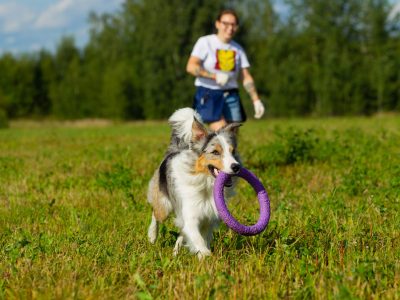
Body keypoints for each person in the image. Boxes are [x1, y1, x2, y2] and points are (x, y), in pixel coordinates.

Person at [186, 8, 265, 131]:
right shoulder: (205, 42)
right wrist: (214, 76)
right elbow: (191, 67)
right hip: (209, 93)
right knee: (223, 132)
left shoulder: (238, 49)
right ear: (217, 24)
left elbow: (245, 76)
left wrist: (256, 100)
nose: (230, 28)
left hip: (231, 95)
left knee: (232, 138)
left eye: (233, 24)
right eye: (225, 23)